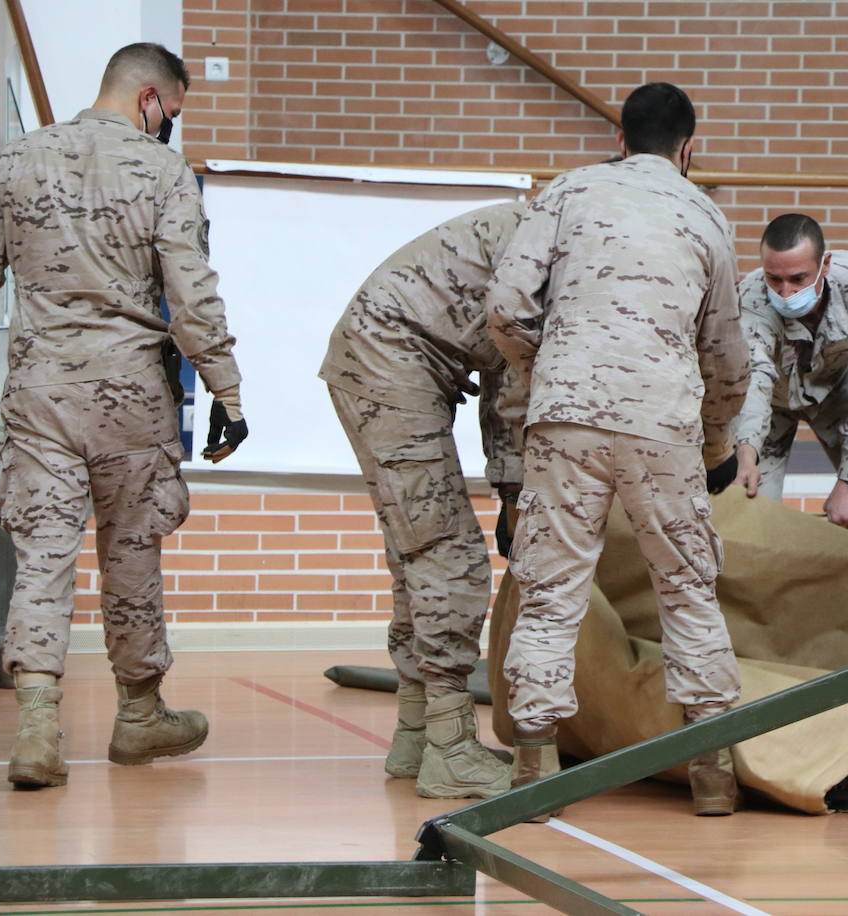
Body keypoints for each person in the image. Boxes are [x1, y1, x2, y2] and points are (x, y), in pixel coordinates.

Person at [0, 43, 247, 788]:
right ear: (150, 97)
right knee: (132, 556)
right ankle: (139, 717)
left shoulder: (16, 162)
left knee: (42, 559)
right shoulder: (162, 171)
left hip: (41, 393)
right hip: (130, 397)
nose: (170, 127)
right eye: (172, 113)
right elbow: (192, 293)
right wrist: (227, 392)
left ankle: (37, 731)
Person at [485, 82, 750, 816]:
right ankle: (712, 770)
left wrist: (549, 375)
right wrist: (717, 443)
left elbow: (506, 305)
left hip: (565, 416)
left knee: (550, 591)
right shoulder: (705, 214)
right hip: (663, 424)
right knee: (687, 589)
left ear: (623, 138)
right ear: (688, 149)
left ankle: (535, 768)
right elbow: (728, 355)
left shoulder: (567, 192)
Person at [319, 201, 527, 799]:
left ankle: (417, 732)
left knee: (417, 559)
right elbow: (515, 391)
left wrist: (510, 486)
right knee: (448, 557)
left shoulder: (542, 229)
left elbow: (502, 376)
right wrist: (514, 497)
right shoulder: (558, 255)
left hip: (376, 358)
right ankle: (453, 750)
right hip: (390, 365)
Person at [730, 214, 848, 528]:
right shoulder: (752, 297)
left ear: (824, 265)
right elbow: (753, 379)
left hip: (840, 391)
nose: (785, 292)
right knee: (748, 504)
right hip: (773, 402)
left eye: (798, 279)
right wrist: (746, 453)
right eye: (774, 278)